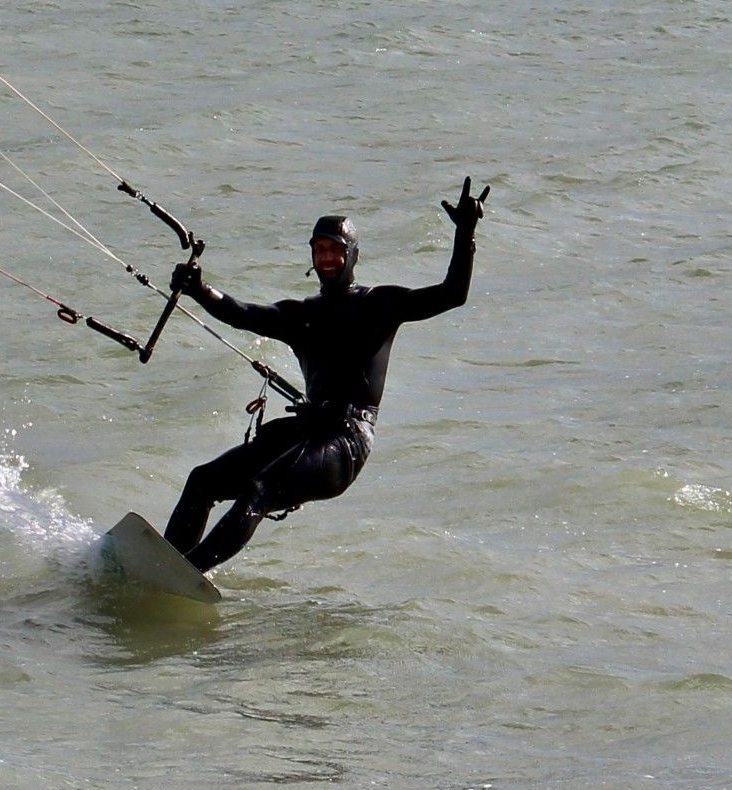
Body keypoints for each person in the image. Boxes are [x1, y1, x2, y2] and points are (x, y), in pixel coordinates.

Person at [162, 179, 488, 572]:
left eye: (336, 249)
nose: (327, 258)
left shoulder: (378, 305)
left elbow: (452, 293)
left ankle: (185, 572)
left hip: (346, 441)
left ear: (353, 255)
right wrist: (200, 289)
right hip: (307, 431)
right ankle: (161, 564)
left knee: (259, 490)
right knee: (203, 481)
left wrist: (465, 234)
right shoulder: (302, 314)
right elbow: (243, 314)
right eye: (320, 250)